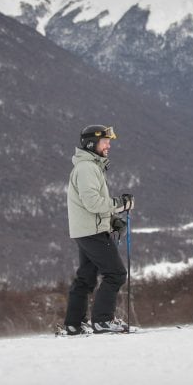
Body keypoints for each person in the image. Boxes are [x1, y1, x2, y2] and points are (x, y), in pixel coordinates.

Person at [62, 125, 135, 335]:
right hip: (92, 232)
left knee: (86, 277)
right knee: (116, 274)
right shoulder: (87, 168)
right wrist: (121, 204)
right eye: (105, 141)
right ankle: (102, 321)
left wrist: (111, 221)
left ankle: (74, 324)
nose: (109, 145)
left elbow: (90, 206)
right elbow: (93, 203)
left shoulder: (91, 166)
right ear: (92, 143)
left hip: (86, 230)